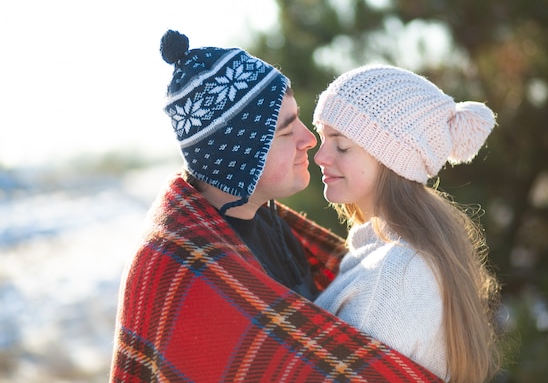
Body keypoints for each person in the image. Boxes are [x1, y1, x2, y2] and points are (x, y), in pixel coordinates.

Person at [109, 31, 443, 383]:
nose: (309, 139)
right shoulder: (180, 271)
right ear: (238, 158)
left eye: (298, 119)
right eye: (285, 132)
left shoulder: (272, 224)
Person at [313, 65, 503, 383]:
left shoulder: (397, 272)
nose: (320, 156)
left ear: (390, 158)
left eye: (341, 145)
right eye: (322, 139)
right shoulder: (387, 256)